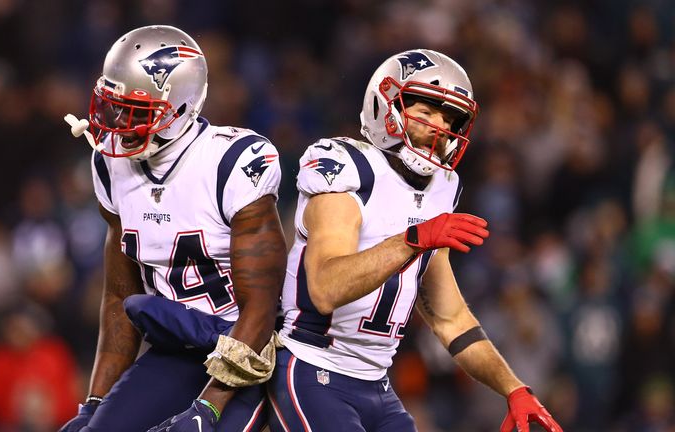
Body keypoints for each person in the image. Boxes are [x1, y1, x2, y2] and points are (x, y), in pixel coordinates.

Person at [266, 49, 563, 432]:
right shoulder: (350, 171)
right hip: (313, 369)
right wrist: (413, 239)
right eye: (425, 113)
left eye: (450, 118)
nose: (440, 127)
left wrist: (514, 389)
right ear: (384, 108)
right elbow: (324, 287)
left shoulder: (440, 190)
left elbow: (449, 318)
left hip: (378, 385)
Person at [58, 25, 286, 432]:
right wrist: (95, 403)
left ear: (179, 108)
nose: (119, 123)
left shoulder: (232, 162)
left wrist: (209, 406)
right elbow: (120, 296)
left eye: (136, 111)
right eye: (114, 106)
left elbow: (262, 308)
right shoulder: (109, 167)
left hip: (251, 350)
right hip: (178, 348)